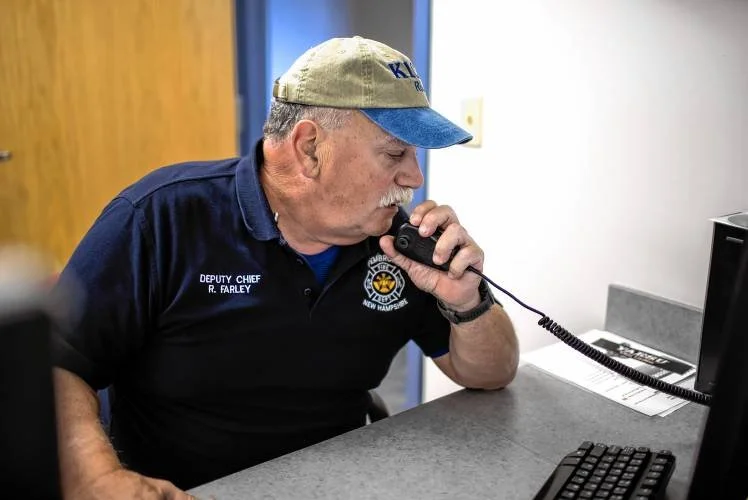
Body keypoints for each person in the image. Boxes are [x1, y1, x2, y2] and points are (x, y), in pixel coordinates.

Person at [51, 36, 519, 499]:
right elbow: (60, 364)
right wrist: (96, 478)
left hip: (337, 482)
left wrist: (466, 301)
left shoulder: (401, 243)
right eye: (396, 153)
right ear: (310, 147)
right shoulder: (159, 217)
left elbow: (489, 374)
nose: (414, 178)